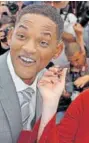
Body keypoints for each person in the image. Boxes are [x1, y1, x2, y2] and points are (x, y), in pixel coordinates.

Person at [0, 4, 64, 143]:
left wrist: (50, 105)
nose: (29, 49)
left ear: (57, 50)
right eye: (22, 36)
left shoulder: (49, 84)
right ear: (10, 36)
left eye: (43, 42)